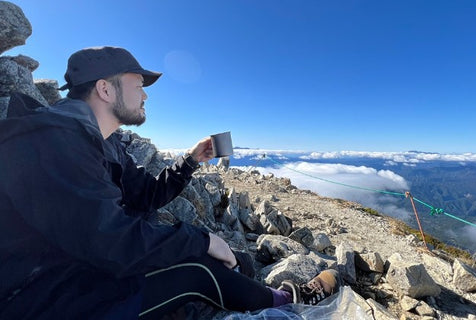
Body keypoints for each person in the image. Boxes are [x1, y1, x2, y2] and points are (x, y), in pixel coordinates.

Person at [0, 46, 341, 319]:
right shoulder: (52, 142)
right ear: (105, 89)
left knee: (234, 259)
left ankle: (247, 291)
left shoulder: (104, 142)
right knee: (197, 268)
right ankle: (290, 300)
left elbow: (146, 196)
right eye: (138, 86)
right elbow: (112, 242)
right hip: (35, 295)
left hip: (74, 264)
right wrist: (202, 239)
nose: (145, 96)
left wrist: (190, 160)